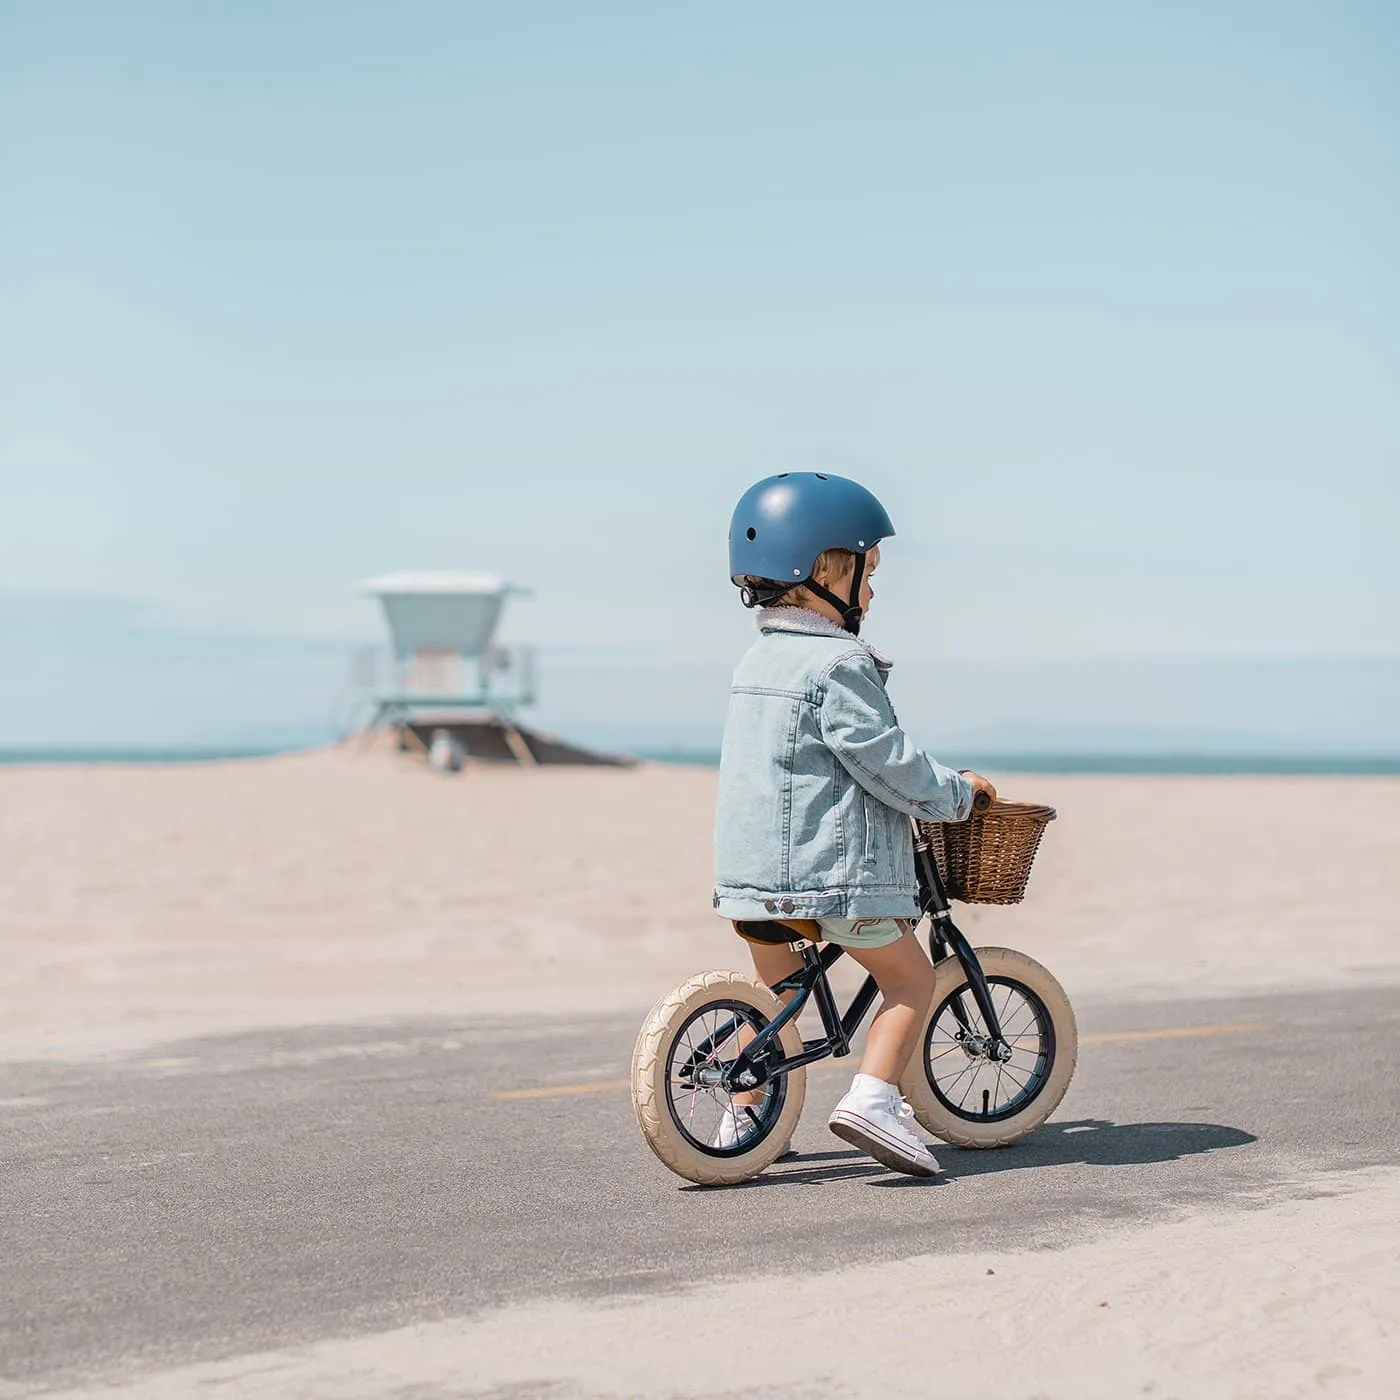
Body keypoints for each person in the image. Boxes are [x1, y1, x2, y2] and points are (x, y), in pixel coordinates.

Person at [713, 472, 996, 1176]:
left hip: (750, 887)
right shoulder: (839, 663)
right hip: (835, 883)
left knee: (779, 1003)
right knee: (909, 981)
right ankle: (873, 1099)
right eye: (866, 573)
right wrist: (956, 794)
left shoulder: (755, 663)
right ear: (823, 571)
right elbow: (886, 762)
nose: (870, 592)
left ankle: (741, 1111)